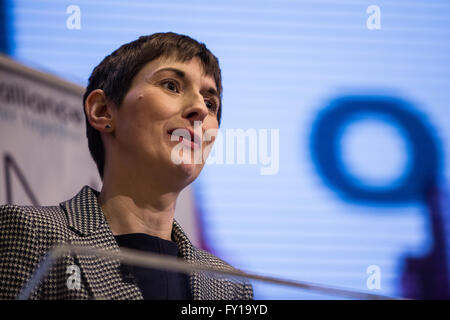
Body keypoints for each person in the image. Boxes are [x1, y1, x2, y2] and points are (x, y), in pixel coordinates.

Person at [0, 32, 254, 300]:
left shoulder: (229, 285)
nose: (200, 110)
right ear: (102, 111)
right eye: (171, 85)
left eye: (210, 102)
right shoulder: (32, 235)